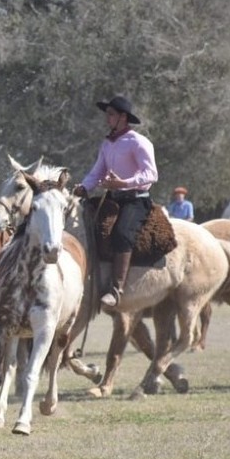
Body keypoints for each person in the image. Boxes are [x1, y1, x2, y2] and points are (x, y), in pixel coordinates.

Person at [72, 95, 158, 308]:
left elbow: (151, 174)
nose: (107, 118)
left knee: (121, 234)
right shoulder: (107, 143)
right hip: (112, 197)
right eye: (107, 114)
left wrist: (124, 183)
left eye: (111, 114)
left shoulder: (138, 142)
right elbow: (97, 171)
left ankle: (116, 288)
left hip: (136, 200)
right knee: (83, 223)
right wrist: (84, 187)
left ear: (123, 117)